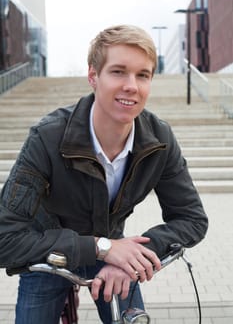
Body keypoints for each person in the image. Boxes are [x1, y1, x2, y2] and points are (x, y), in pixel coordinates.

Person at [0, 24, 208, 324]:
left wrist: (134, 257)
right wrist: (99, 247)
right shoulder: (47, 137)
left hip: (117, 256)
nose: (131, 86)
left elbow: (192, 219)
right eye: (118, 71)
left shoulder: (158, 139)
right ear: (93, 76)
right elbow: (5, 237)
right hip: (50, 251)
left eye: (143, 75)